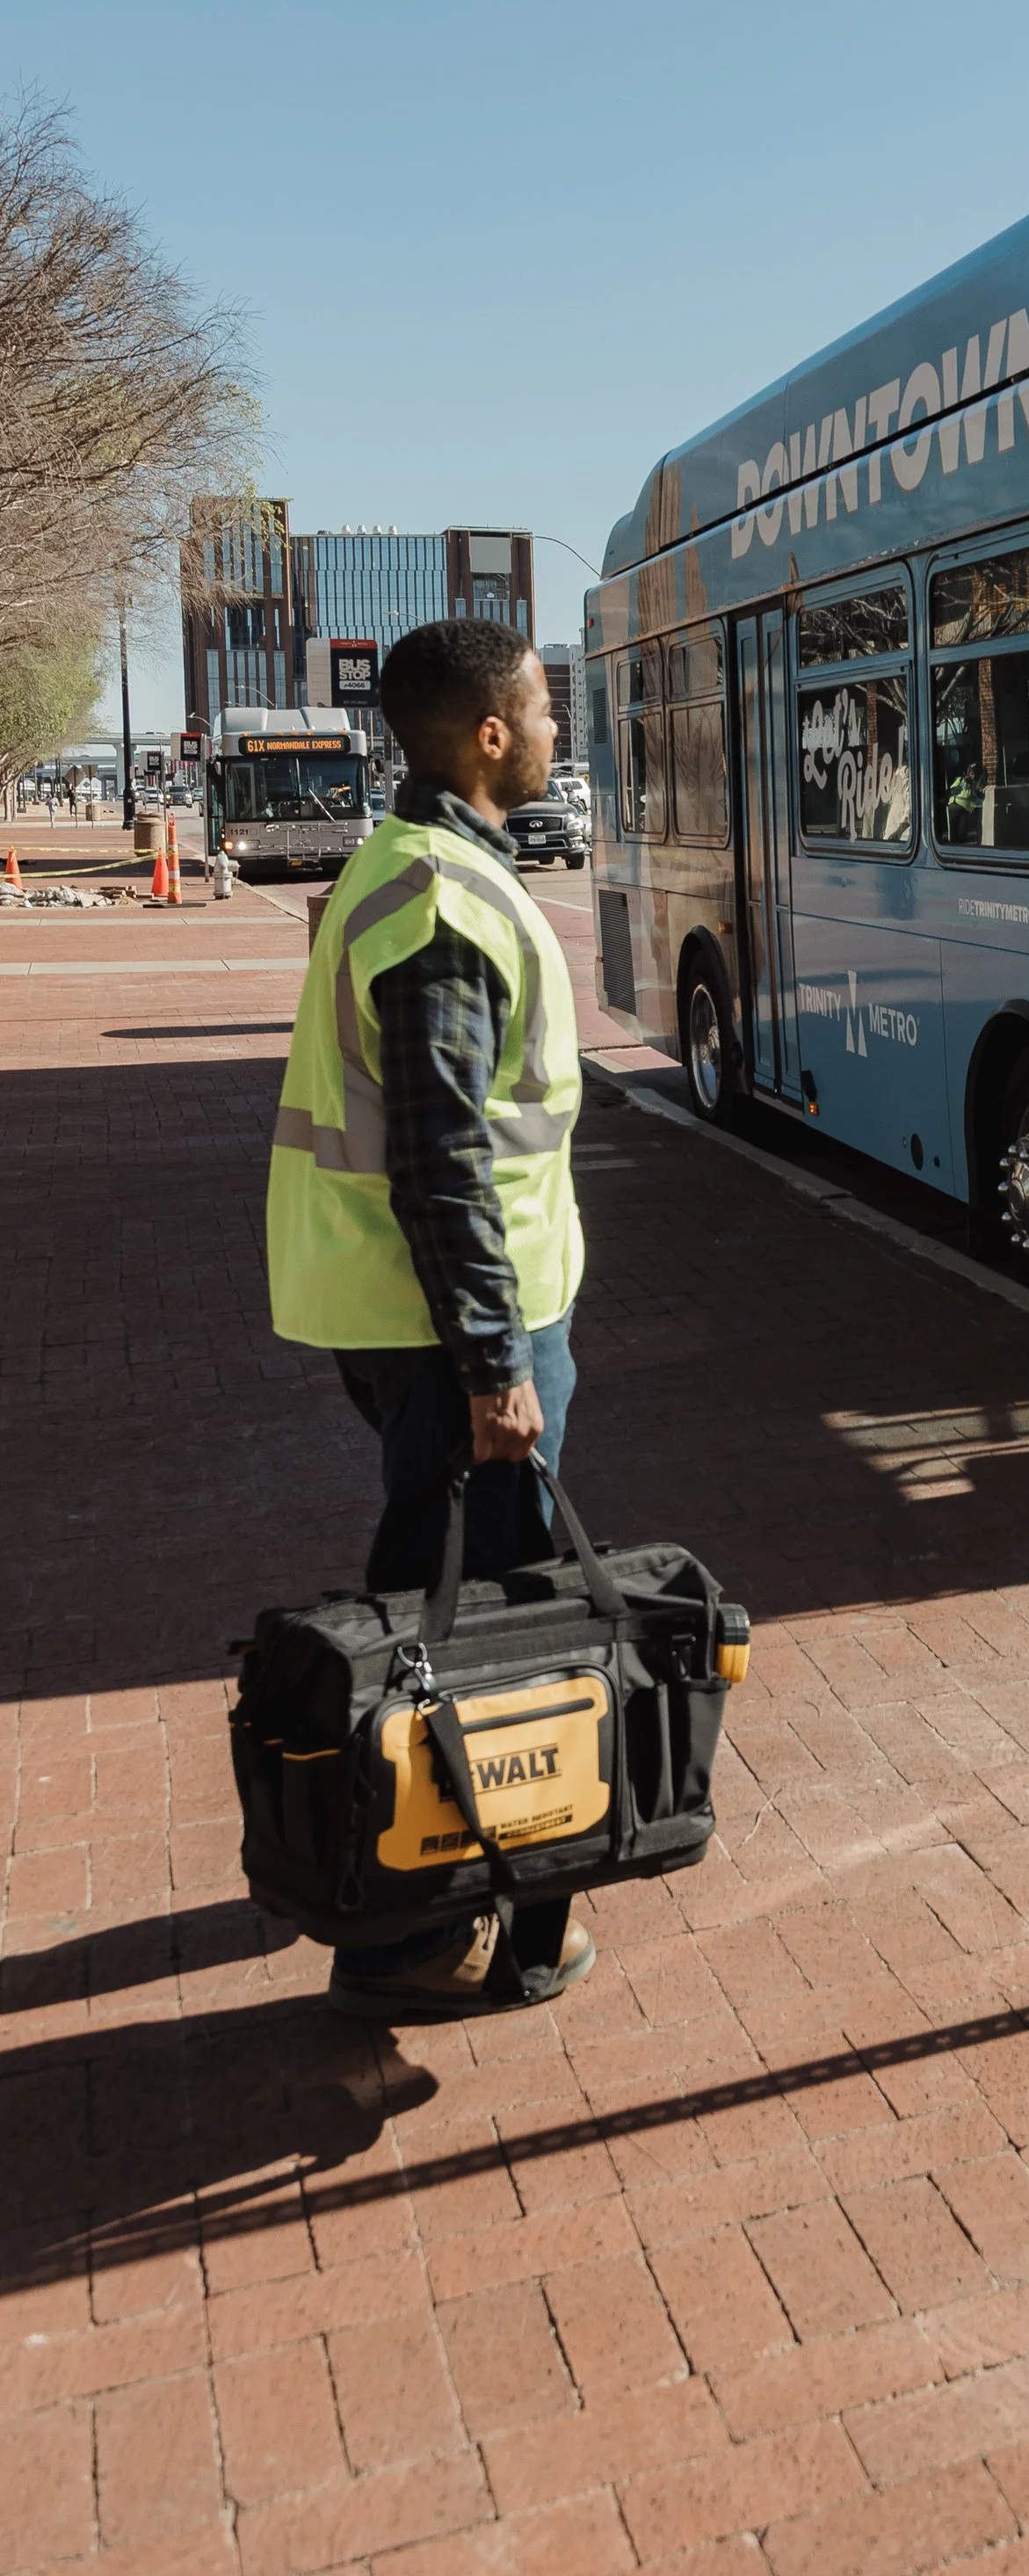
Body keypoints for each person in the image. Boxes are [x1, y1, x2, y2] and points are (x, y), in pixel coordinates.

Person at [265, 618, 593, 2021]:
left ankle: (447, 1888)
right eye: (543, 707)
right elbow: (441, 1156)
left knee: (446, 1594)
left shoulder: (413, 870)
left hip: (419, 1325)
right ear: (491, 735)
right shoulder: (443, 904)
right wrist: (494, 1366)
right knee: (474, 1621)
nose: (561, 730)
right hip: (457, 1338)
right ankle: (422, 1926)